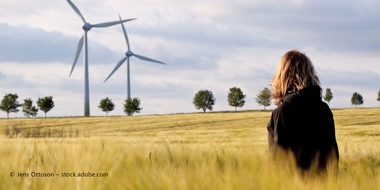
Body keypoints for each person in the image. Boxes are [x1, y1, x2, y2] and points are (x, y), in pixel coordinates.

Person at [267, 49, 339, 176]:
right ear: (310, 74)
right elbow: (332, 158)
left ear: (282, 76)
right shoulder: (324, 109)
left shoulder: (282, 112)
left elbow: (277, 161)